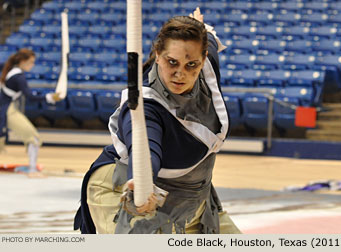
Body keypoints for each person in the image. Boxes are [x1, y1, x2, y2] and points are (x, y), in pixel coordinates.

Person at [74, 8, 241, 234]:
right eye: (172, 62)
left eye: (191, 64)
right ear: (158, 55)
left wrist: (199, 26)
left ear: (203, 60)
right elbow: (145, 151)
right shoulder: (146, 106)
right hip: (124, 188)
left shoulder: (206, 64)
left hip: (192, 200)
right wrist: (140, 184)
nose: (180, 74)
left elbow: (207, 39)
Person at [0, 48, 61, 177]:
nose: (32, 65)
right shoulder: (18, 77)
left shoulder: (11, 70)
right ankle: (32, 170)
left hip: (6, 107)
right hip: (7, 109)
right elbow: (30, 97)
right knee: (33, 137)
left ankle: (32, 168)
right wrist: (49, 97)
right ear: (22, 61)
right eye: (31, 62)